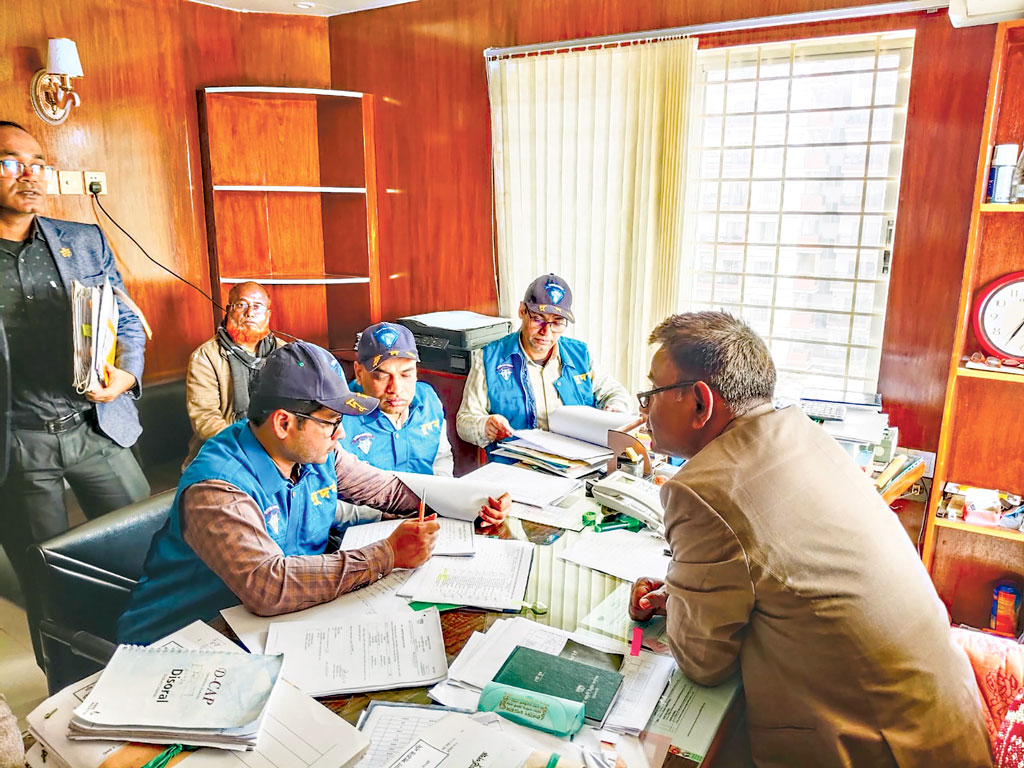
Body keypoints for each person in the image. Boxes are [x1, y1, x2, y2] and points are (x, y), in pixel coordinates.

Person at [629, 311, 990, 767]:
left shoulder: (701, 491)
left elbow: (703, 664)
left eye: (652, 393)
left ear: (701, 403)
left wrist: (686, 606)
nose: (644, 409)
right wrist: (686, 595)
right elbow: (779, 576)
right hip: (943, 723)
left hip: (877, 748)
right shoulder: (804, 434)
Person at [117, 341, 508, 644]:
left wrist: (476, 501)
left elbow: (388, 489)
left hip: (280, 624)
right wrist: (387, 554)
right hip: (186, 642)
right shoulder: (219, 487)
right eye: (331, 422)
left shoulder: (316, 452)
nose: (341, 435)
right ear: (284, 423)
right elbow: (268, 586)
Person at [0, 121, 149, 661]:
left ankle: (160, 654)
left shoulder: (82, 241)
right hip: (18, 443)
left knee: (148, 548)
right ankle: (65, 678)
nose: (29, 175)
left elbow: (128, 321)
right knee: (47, 581)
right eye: (10, 162)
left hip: (96, 427)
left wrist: (127, 375)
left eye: (37, 163)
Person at [456, 273, 630, 450]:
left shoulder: (580, 354)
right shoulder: (489, 359)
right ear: (522, 311)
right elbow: (465, 420)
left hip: (577, 464)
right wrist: (485, 426)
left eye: (557, 322)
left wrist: (615, 410)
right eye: (539, 319)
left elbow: (615, 392)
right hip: (517, 468)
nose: (546, 332)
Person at [184, 280, 284, 465]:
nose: (250, 313)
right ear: (230, 310)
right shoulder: (206, 356)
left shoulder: (284, 353)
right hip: (223, 451)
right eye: (241, 305)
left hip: (277, 448)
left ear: (268, 315)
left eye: (257, 306)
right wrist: (255, 446)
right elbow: (205, 420)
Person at [340, 321, 454, 476]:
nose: (395, 389)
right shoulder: (338, 417)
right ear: (359, 373)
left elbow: (441, 459)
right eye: (381, 376)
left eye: (406, 375)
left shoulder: (428, 400)